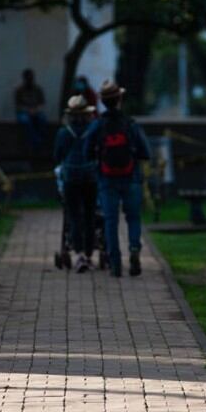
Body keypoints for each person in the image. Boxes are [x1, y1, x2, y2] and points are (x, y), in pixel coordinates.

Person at [84, 80, 152, 278]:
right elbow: (145, 152)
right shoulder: (130, 124)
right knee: (133, 217)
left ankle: (115, 263)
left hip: (106, 180)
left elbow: (86, 151)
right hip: (131, 177)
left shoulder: (98, 125)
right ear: (120, 99)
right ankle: (134, 248)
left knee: (110, 221)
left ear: (103, 102)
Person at [54, 95, 99, 273]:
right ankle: (89, 254)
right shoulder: (93, 130)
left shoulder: (64, 133)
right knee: (90, 215)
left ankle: (78, 254)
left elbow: (58, 156)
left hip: (71, 178)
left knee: (73, 215)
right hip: (90, 177)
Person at [14, 69, 46, 147]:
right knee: (25, 121)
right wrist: (28, 110)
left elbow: (42, 103)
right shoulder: (19, 90)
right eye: (28, 78)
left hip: (36, 111)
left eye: (31, 78)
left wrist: (36, 110)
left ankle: (40, 139)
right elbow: (18, 105)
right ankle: (35, 141)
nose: (30, 80)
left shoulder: (38, 89)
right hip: (23, 112)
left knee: (42, 119)